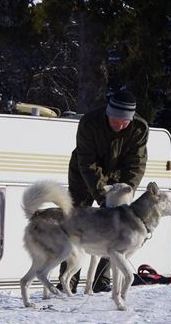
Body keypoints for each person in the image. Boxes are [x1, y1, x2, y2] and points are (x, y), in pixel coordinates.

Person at [60, 90, 150, 292]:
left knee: (117, 227)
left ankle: (103, 281)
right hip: (83, 176)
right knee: (73, 222)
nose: (119, 125)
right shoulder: (90, 122)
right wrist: (102, 195)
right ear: (108, 113)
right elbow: (88, 162)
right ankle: (68, 282)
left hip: (118, 178)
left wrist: (127, 189)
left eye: (124, 122)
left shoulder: (139, 128)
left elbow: (136, 163)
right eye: (115, 120)